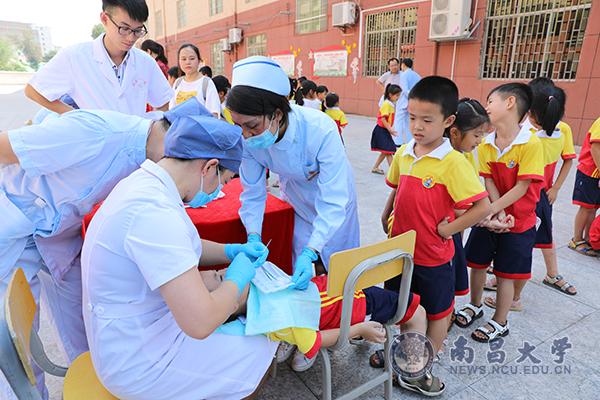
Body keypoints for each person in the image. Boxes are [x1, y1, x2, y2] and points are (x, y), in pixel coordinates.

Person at [0, 98, 206, 398]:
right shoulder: (94, 132)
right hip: (12, 224)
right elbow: (5, 147)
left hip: (57, 236)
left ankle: (95, 384)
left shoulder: (146, 161)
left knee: (85, 323)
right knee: (14, 345)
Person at [81, 112, 276, 400]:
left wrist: (231, 250)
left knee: (241, 334)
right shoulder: (153, 212)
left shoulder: (147, 185)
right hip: (138, 363)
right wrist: (235, 281)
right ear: (209, 167)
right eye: (223, 182)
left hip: (132, 334)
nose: (219, 191)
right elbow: (201, 322)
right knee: (261, 348)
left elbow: (181, 245)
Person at [381, 76, 490, 367]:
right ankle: (405, 352)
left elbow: (481, 206)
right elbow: (397, 187)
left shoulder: (453, 162)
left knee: (437, 311)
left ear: (448, 121)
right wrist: (385, 213)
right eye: (412, 117)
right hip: (400, 252)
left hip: (433, 257)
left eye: (427, 120)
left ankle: (426, 360)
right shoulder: (404, 152)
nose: (417, 126)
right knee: (403, 306)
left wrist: (448, 230)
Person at [227, 56, 359, 287]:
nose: (246, 135)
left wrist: (312, 251)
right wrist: (253, 235)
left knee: (337, 269)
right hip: (296, 199)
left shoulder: (320, 129)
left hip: (334, 199)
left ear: (277, 114)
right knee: (298, 265)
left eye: (252, 126)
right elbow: (253, 193)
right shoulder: (249, 142)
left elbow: (333, 200)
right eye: (239, 126)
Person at [461, 83, 544, 343]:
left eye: (490, 101)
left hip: (518, 222)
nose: (486, 107)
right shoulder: (486, 142)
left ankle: (500, 321)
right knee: (477, 264)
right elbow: (488, 180)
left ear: (510, 103)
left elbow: (522, 186)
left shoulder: (530, 142)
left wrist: (494, 211)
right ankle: (475, 305)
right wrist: (494, 213)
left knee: (505, 274)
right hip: (490, 216)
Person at [485, 78, 578, 298]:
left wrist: (555, 188)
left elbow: (568, 160)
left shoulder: (562, 130)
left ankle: (551, 274)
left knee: (540, 236)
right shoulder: (520, 130)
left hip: (539, 195)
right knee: (508, 236)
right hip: (510, 193)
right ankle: (501, 275)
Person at [24, 0, 172, 116]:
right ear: (104, 19)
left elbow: (164, 103)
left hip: (135, 142)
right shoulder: (74, 57)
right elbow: (34, 90)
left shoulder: (146, 62)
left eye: (138, 30)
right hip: (95, 142)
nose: (131, 38)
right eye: (124, 28)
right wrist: (75, 116)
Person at [447, 98, 491, 303]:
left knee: (452, 271)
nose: (480, 141)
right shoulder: (449, 160)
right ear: (454, 132)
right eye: (476, 134)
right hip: (445, 229)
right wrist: (483, 219)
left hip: (458, 225)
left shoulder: (467, 154)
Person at [570, 115, 600, 256]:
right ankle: (576, 239)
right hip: (589, 172)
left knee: (594, 207)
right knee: (586, 207)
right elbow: (595, 148)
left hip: (597, 174)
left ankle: (588, 239)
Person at [170, 43, 221, 117]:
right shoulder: (177, 83)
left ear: (199, 60)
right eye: (184, 59)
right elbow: (172, 111)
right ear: (179, 62)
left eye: (192, 58)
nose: (187, 62)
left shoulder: (206, 83)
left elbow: (214, 113)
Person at [370, 84, 401, 174]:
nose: (398, 97)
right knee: (388, 150)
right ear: (390, 95)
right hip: (381, 130)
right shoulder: (387, 104)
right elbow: (383, 118)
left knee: (385, 151)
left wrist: (389, 129)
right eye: (397, 95)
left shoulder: (390, 104)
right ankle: (394, 174)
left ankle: (375, 167)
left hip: (384, 130)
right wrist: (390, 129)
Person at [393, 58, 421, 146]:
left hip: (403, 101)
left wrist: (410, 97)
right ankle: (410, 141)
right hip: (414, 102)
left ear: (403, 65)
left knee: (398, 121)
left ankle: (397, 141)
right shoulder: (417, 76)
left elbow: (404, 90)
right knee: (408, 122)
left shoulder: (404, 75)